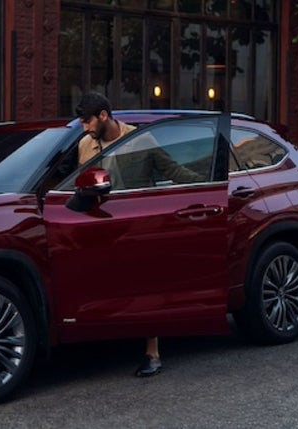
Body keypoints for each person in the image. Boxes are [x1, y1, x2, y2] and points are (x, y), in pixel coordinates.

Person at [74, 92, 201, 377]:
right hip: (101, 224)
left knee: (145, 284)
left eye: (87, 121)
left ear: (103, 115)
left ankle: (152, 352)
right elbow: (80, 181)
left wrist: (210, 185)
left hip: (138, 223)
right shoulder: (85, 144)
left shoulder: (140, 140)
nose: (84, 127)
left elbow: (174, 171)